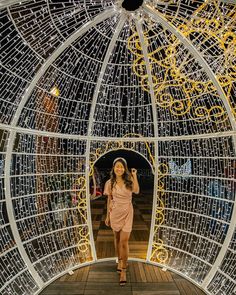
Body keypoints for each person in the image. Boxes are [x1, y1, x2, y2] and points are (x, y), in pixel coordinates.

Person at [103, 157, 140, 286]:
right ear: (114, 168)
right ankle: (119, 260)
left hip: (127, 212)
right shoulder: (109, 183)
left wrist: (134, 175)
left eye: (122, 166)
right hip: (115, 212)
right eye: (117, 166)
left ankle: (123, 269)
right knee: (117, 238)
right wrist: (107, 216)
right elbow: (109, 200)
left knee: (124, 241)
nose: (119, 168)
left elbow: (136, 190)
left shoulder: (129, 181)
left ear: (125, 169)